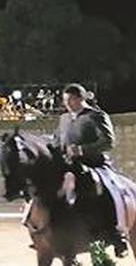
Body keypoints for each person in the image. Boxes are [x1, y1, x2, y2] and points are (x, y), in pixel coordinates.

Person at [55, 83, 129, 256]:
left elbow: (108, 141)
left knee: (108, 189)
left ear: (81, 99)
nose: (68, 104)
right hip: (68, 165)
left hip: (94, 164)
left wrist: (82, 150)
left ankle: (116, 235)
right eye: (66, 100)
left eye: (71, 100)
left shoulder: (96, 116)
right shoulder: (64, 119)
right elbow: (56, 141)